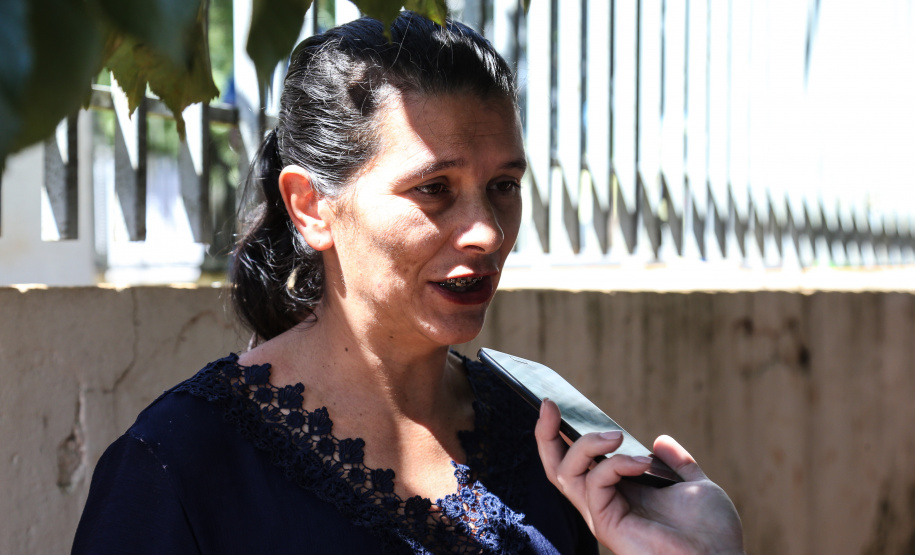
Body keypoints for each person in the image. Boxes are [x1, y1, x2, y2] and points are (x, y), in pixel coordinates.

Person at [73, 12, 744, 554]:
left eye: (502, 187)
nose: (486, 231)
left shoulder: (546, 445)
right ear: (310, 206)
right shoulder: (179, 466)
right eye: (434, 189)